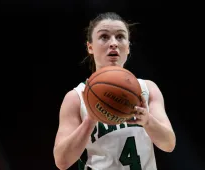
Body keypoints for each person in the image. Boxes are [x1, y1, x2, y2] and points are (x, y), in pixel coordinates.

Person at [53, 12, 176, 170]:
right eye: (104, 37)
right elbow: (62, 162)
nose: (113, 43)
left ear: (128, 47)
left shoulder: (148, 89)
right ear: (90, 47)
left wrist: (148, 121)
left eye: (120, 37)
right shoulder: (76, 97)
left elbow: (169, 144)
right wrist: (89, 121)